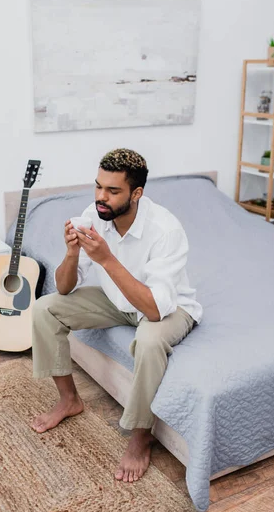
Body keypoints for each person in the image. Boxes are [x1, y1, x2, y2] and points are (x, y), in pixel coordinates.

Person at [31, 148, 202, 483]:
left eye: (112, 191)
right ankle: (69, 400)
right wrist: (71, 253)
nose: (100, 197)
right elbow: (64, 289)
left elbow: (153, 309)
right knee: (44, 308)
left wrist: (107, 260)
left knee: (150, 342)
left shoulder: (165, 230)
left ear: (136, 194)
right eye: (98, 187)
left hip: (167, 307)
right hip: (119, 300)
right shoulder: (93, 215)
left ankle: (141, 435)